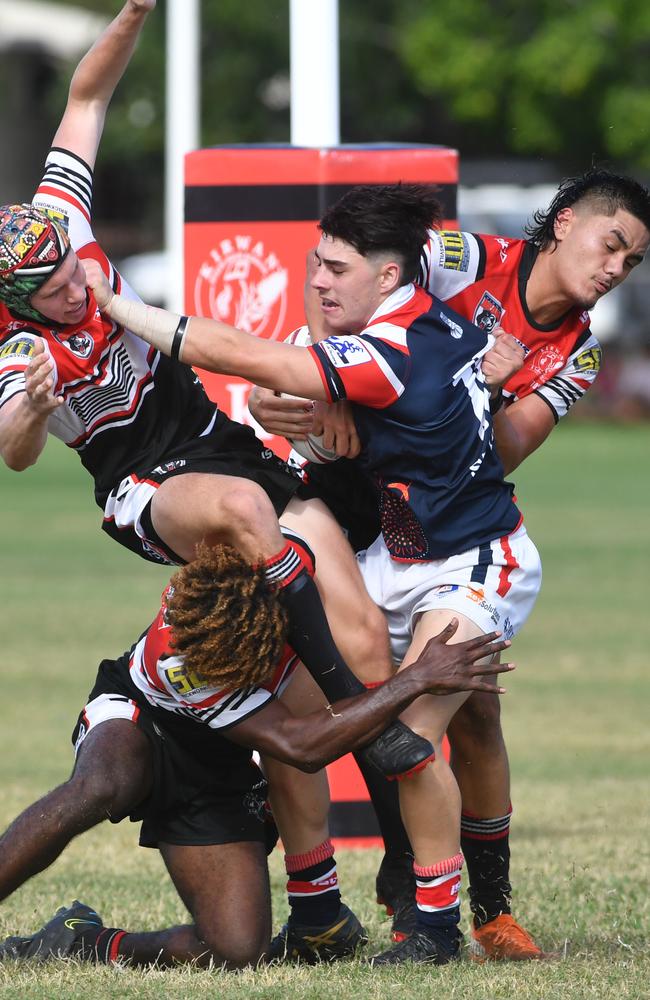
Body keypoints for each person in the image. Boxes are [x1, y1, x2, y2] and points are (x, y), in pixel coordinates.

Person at [83, 180, 543, 965]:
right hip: (388, 561)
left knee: (407, 738)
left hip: (474, 562)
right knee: (293, 715)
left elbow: (241, 354)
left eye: (336, 267)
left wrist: (118, 303)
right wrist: (286, 407)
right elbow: (287, 385)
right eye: (314, 263)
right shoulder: (414, 316)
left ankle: (434, 924)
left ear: (390, 277)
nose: (319, 280)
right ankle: (318, 908)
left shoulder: (383, 352)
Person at [0, 0, 431, 781]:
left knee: (364, 632)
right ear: (21, 301)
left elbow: (87, 98)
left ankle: (397, 862)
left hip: (217, 444)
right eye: (57, 292)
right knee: (243, 514)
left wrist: (133, 12)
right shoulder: (14, 343)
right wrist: (31, 408)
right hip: (137, 481)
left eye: (75, 273)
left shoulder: (60, 219)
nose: (76, 290)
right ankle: (358, 728)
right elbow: (15, 456)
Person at [248, 168, 650, 959]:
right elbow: (347, 272)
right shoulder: (467, 258)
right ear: (565, 223)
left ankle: (479, 908)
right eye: (613, 245)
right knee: (333, 699)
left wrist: (480, 389)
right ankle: (337, 897)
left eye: (632, 263)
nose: (615, 269)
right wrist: (324, 384)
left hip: (445, 519)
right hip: (360, 505)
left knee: (466, 712)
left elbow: (501, 447)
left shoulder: (579, 354)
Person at [0, 536, 513, 969]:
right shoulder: (187, 656)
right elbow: (300, 746)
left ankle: (79, 940)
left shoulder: (275, 590)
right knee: (100, 785)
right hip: (145, 722)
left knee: (237, 948)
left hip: (219, 768)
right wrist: (418, 678)